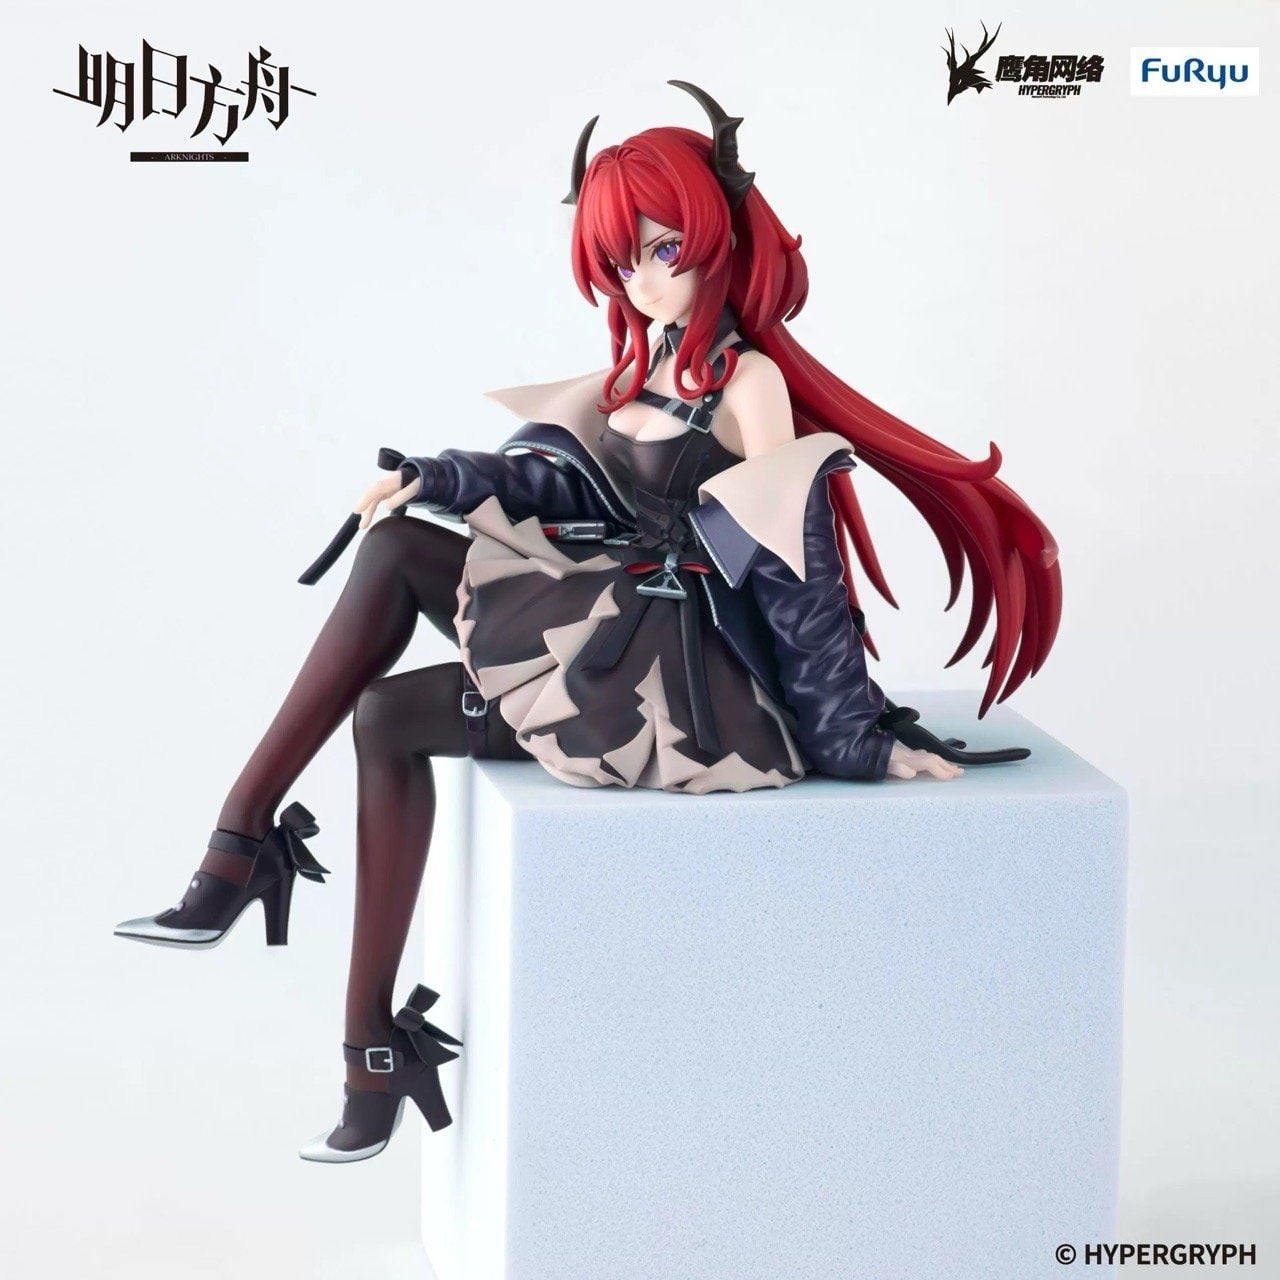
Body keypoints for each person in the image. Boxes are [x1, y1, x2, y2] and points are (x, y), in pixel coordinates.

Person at [115, 82, 1061, 1163]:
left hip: (678, 681)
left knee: (385, 707)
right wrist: (430, 475)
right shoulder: (642, 365)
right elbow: (560, 488)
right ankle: (287, 919)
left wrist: (851, 737)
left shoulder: (747, 384)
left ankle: (278, 926)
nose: (641, 279)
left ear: (719, 238)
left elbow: (790, 568)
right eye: (619, 260)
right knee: (392, 565)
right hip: (606, 622)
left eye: (663, 248)